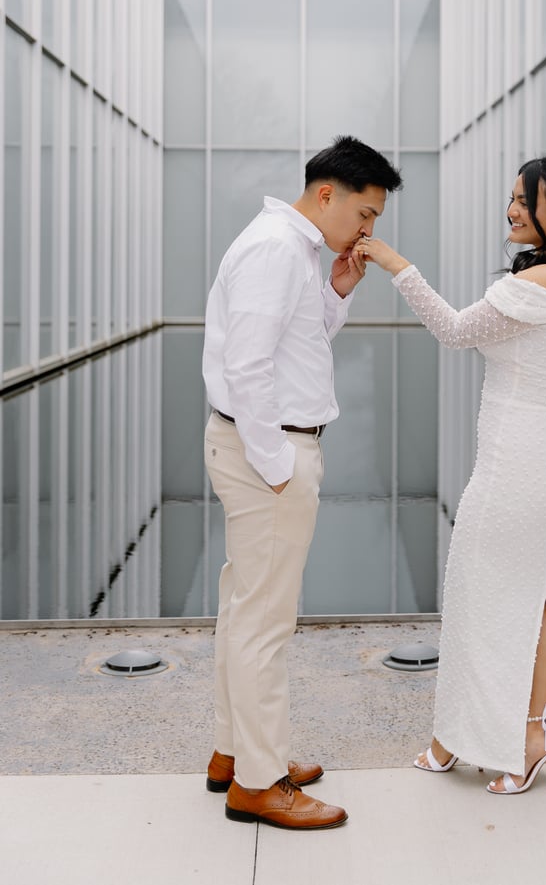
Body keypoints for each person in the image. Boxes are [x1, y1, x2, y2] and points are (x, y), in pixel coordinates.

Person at [355, 154, 546, 796]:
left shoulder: (541, 280)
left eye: (527, 201)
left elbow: (452, 330)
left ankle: (505, 737)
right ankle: (500, 734)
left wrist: (394, 264)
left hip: (518, 459)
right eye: (513, 197)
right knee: (528, 595)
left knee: (489, 593)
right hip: (541, 451)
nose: (513, 210)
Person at [202, 136, 402, 829]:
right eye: (366, 213)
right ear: (328, 194)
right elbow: (248, 369)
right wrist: (278, 465)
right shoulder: (275, 249)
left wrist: (338, 290)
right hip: (269, 455)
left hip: (261, 448)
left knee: (244, 606)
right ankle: (258, 782)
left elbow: (295, 342)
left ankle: (236, 752)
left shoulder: (294, 252)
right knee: (266, 621)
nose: (368, 230)